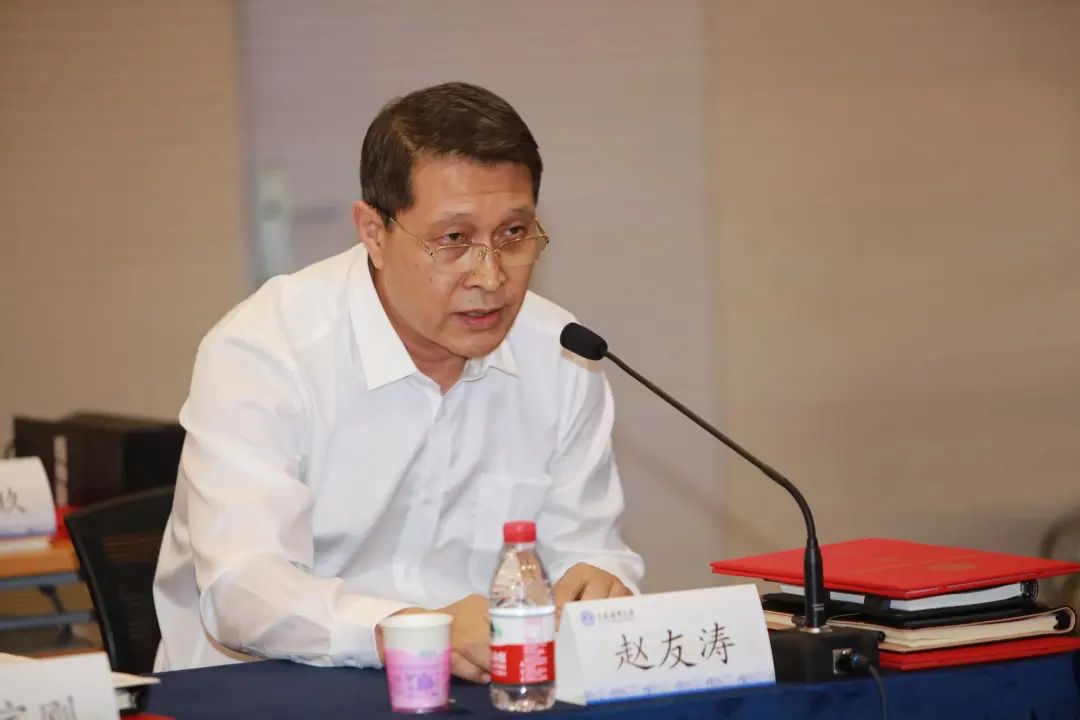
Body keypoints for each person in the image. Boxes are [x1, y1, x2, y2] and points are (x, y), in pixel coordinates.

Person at [153, 82, 643, 681]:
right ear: (373, 232)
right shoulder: (264, 351)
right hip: (265, 690)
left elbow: (589, 550)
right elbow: (243, 589)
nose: (490, 276)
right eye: (453, 240)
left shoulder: (561, 355)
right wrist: (415, 631)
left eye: (513, 234)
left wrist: (599, 586)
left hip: (477, 691)